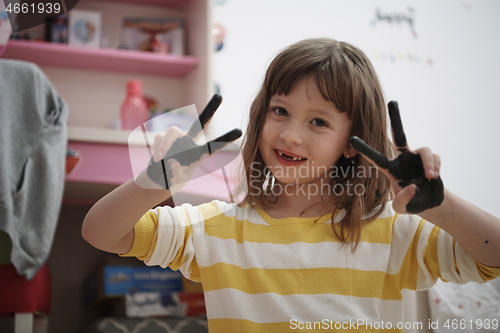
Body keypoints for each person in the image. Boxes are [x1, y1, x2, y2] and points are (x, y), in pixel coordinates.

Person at [82, 38, 500, 332]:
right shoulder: (215, 229)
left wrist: (438, 207)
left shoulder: (393, 232)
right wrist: (155, 183)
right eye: (280, 110)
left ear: (353, 144)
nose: (291, 135)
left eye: (318, 121)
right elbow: (101, 233)